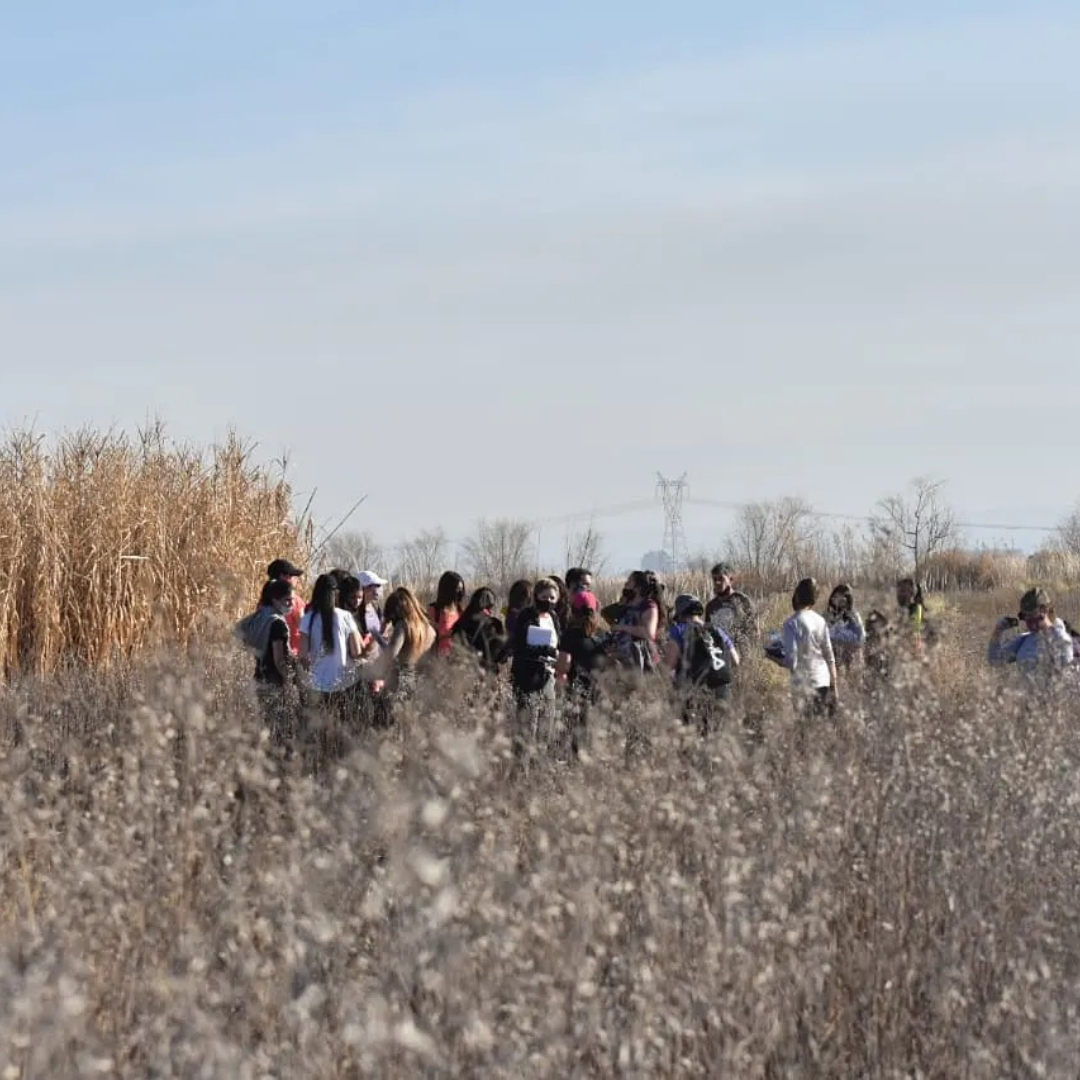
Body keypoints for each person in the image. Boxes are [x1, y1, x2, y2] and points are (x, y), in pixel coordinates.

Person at [298, 574, 366, 732]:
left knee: (319, 728)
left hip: (317, 684)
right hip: (343, 682)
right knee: (340, 728)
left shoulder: (308, 618)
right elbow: (356, 652)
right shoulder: (345, 616)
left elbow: (302, 655)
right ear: (335, 593)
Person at [665, 594, 739, 734]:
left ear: (680, 614)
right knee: (717, 736)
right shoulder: (717, 630)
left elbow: (670, 664)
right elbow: (735, 660)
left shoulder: (679, 630)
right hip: (721, 691)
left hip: (694, 692)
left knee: (692, 738)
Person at [770, 578, 838, 727]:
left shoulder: (791, 623)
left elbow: (792, 661)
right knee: (822, 731)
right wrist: (834, 686)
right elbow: (829, 654)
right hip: (823, 682)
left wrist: (774, 657)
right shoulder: (820, 621)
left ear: (797, 596)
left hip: (803, 686)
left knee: (805, 732)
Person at [508, 578, 562, 757]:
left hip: (548, 676)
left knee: (546, 724)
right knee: (527, 727)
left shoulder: (554, 618)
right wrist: (545, 650)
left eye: (552, 598)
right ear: (536, 596)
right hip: (528, 676)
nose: (548, 601)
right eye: (544, 596)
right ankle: (520, 770)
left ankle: (538, 766)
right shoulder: (527, 616)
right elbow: (520, 645)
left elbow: (558, 642)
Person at [555, 589, 609, 755]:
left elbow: (563, 665)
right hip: (598, 691)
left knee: (574, 734)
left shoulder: (570, 636)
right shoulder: (603, 635)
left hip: (575, 691)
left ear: (573, 610)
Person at [248, 579, 299, 748]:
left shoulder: (262, 617)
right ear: (275, 600)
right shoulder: (278, 624)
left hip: (259, 678)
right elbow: (278, 659)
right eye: (287, 600)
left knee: (266, 727)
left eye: (292, 600)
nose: (291, 604)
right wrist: (289, 680)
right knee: (280, 730)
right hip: (274, 683)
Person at [987, 587, 1075, 676]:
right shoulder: (1024, 640)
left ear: (1044, 610)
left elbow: (1067, 676)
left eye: (1032, 614)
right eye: (1025, 616)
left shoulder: (1061, 639)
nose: (1028, 620)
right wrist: (998, 631)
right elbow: (995, 660)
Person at [380, 586, 437, 704]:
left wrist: (380, 638)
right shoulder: (429, 627)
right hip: (423, 683)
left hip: (402, 683)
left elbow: (389, 656)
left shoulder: (403, 626)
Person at [610, 570, 665, 673]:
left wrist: (622, 627)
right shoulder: (627, 604)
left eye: (629, 582)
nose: (625, 584)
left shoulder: (648, 606)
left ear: (638, 588)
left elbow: (649, 633)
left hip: (641, 659)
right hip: (621, 658)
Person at [451, 587, 508, 673]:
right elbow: (503, 657)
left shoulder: (460, 623)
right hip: (486, 677)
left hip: (461, 676)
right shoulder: (494, 625)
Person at [705, 563, 758, 652]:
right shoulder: (711, 606)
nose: (717, 582)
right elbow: (708, 633)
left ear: (730, 579)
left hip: (740, 650)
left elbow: (754, 630)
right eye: (714, 579)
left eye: (721, 579)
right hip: (719, 654)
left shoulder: (742, 600)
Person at [266, 558, 306, 654]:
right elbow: (305, 630)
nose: (295, 580)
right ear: (284, 577)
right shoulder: (295, 601)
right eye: (292, 576)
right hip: (291, 658)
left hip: (268, 658)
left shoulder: (264, 601)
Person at [826, 583, 866, 671]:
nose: (837, 600)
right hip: (832, 662)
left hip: (852, 663)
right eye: (835, 596)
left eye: (841, 597)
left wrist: (837, 639)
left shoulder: (854, 615)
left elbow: (860, 637)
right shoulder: (827, 615)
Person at [429, 571, 466, 659]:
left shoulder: (461, 611)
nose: (460, 592)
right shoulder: (434, 611)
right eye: (457, 589)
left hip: (459, 661)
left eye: (461, 589)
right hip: (440, 662)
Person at [356, 570, 388, 642]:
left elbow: (383, 634)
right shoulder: (355, 613)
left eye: (378, 586)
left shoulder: (376, 608)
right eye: (375, 586)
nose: (377, 590)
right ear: (363, 589)